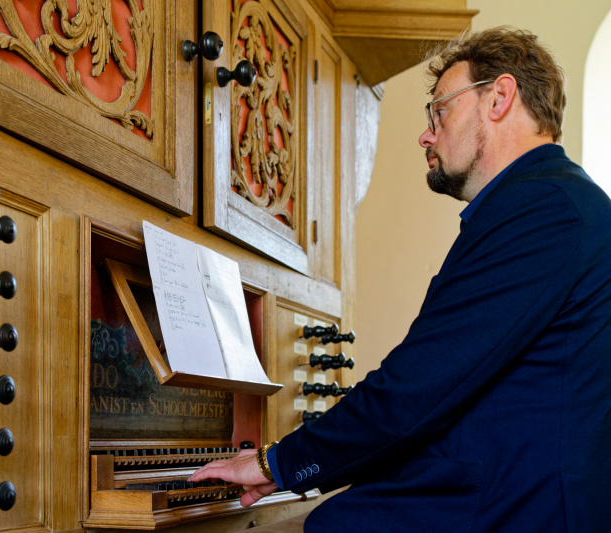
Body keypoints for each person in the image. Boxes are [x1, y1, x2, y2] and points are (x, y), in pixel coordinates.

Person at [190, 26, 611, 532]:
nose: (426, 134)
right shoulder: (553, 202)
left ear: (499, 97)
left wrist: (275, 464)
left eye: (440, 110)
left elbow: (417, 387)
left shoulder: (544, 209)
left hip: (517, 506)